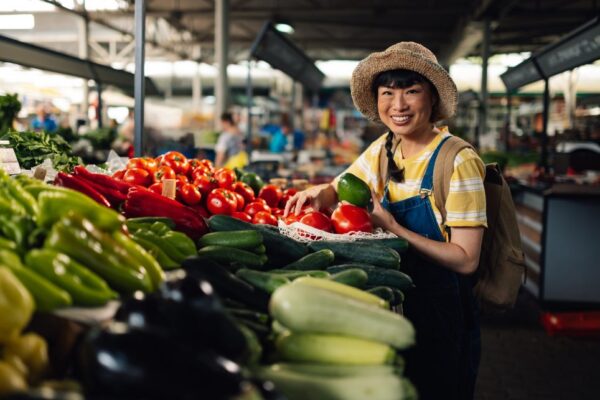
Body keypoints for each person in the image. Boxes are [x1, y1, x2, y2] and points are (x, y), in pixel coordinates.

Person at [284, 42, 486, 400]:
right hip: (396, 298)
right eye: (388, 92)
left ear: (433, 99)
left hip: (443, 307)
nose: (399, 105)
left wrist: (393, 227)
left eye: (411, 91)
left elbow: (467, 259)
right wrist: (321, 194)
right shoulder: (385, 148)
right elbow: (343, 183)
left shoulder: (457, 160)